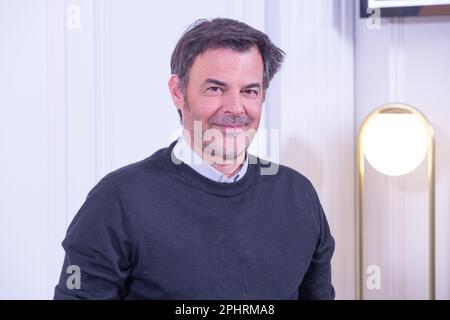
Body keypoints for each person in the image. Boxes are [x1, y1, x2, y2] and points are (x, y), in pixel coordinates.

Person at [54, 18, 335, 300]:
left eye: (249, 91)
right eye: (215, 89)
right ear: (178, 92)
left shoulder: (299, 195)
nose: (235, 108)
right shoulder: (118, 200)